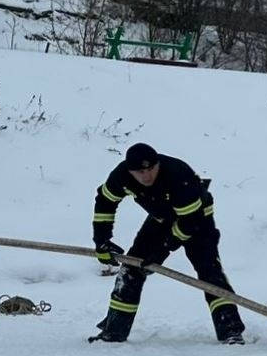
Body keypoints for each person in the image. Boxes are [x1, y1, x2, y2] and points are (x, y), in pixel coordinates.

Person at [89, 142, 246, 344]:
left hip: (197, 220)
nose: (146, 176)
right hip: (161, 219)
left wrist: (162, 250)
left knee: (209, 271)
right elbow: (105, 201)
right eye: (140, 172)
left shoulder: (178, 174)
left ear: (158, 164)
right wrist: (102, 241)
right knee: (131, 268)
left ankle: (230, 330)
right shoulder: (121, 176)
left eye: (150, 169)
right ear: (130, 171)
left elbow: (190, 223)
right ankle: (114, 330)